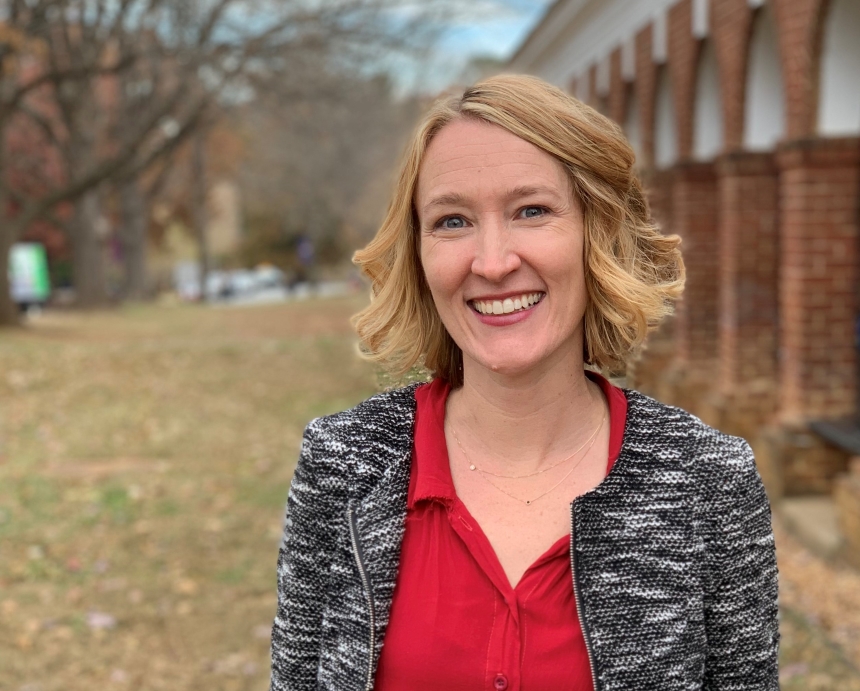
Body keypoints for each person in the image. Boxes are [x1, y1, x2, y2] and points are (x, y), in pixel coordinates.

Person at [270, 74, 779, 691]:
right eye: (452, 221)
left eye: (531, 211)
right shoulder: (343, 467)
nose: (492, 262)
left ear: (599, 231)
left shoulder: (707, 480)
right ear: (419, 253)